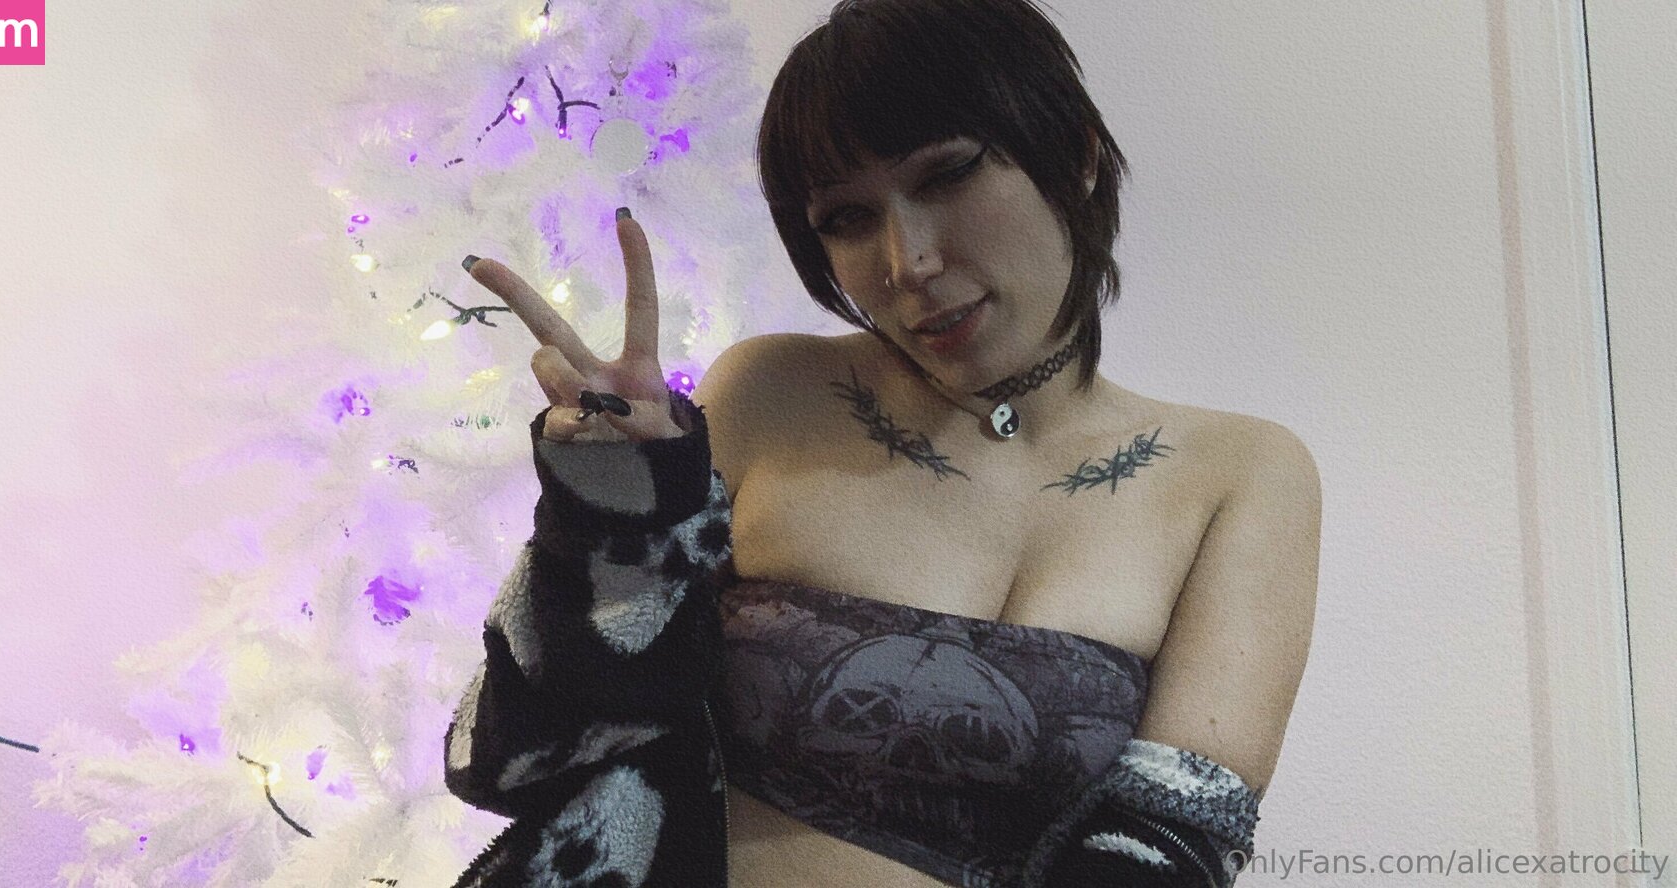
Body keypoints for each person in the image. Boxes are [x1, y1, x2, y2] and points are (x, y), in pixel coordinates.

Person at [442, 0, 1321, 884]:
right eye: (848, 218)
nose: (908, 262)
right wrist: (617, 497)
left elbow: (1174, 843)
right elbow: (509, 755)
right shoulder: (769, 391)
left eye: (948, 176)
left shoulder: (1238, 474)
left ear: (1079, 157)